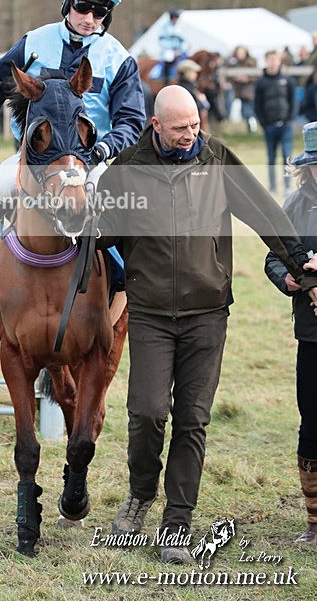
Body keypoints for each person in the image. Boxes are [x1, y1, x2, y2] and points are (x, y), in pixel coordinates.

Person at [96, 85, 317, 564]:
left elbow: (266, 214)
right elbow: (100, 231)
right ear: (156, 125)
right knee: (148, 413)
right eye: (179, 128)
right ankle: (140, 493)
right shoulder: (128, 170)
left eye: (195, 125)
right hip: (151, 312)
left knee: (193, 420)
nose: (190, 135)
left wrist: (301, 264)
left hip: (208, 311)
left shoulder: (217, 160)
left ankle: (177, 525)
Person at [0, 0, 146, 283]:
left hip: (90, 160)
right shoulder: (34, 42)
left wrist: (102, 150)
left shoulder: (119, 59)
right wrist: (5, 88)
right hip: (36, 159)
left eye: (101, 11)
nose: (90, 19)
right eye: (83, 7)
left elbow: (132, 123)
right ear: (66, 2)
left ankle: (125, 276)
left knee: (116, 204)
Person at [264, 121, 317, 546]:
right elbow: (273, 257)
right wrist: (289, 280)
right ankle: (314, 520)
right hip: (312, 333)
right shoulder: (295, 204)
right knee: (311, 421)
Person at [253, 50, 297, 195]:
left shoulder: (287, 80)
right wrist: (263, 122)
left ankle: (287, 186)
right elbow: (257, 104)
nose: (273, 62)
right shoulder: (261, 82)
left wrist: (290, 119)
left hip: (285, 125)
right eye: (270, 59)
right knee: (271, 157)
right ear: (266, 61)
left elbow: (293, 101)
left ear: (279, 62)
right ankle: (272, 187)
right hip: (269, 125)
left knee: (286, 155)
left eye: (275, 59)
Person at [158, 8, 187, 85]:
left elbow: (183, 41)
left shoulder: (180, 28)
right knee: (169, 57)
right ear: (172, 18)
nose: (176, 20)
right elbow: (161, 41)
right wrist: (172, 46)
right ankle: (166, 79)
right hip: (169, 49)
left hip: (179, 49)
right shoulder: (165, 28)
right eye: (175, 18)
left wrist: (183, 48)